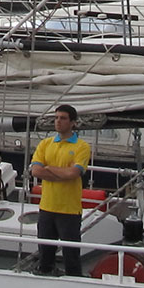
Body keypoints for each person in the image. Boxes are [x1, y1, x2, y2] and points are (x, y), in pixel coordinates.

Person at [28, 102, 92, 276]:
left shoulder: (81, 147)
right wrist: (59, 173)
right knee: (45, 254)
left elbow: (73, 173)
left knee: (71, 255)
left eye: (63, 118)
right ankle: (45, 275)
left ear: (72, 122)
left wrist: (49, 169)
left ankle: (74, 282)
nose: (58, 122)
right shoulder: (45, 144)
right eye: (56, 118)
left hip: (69, 210)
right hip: (47, 207)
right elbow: (35, 170)